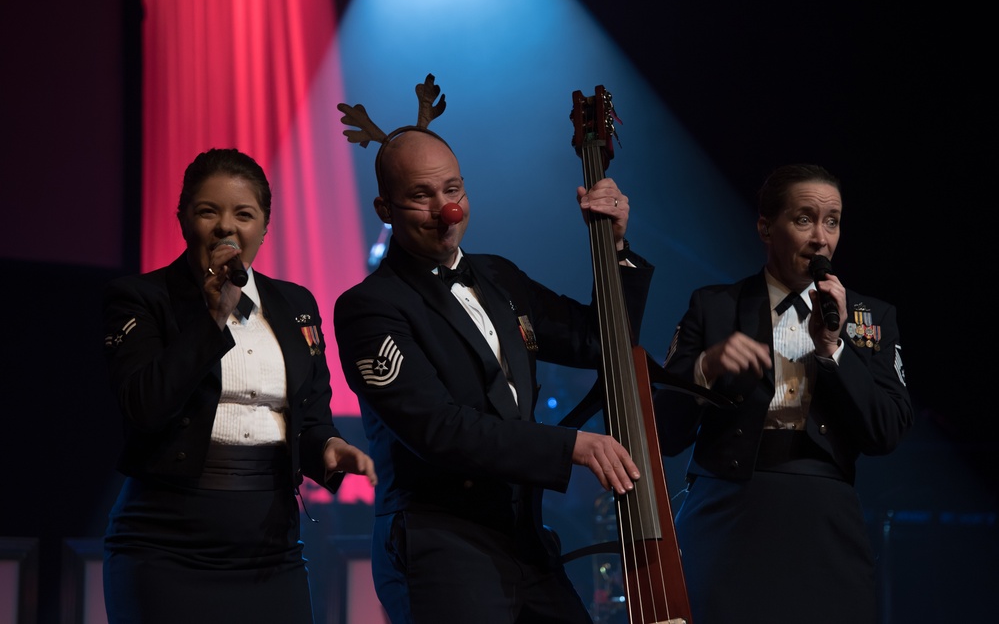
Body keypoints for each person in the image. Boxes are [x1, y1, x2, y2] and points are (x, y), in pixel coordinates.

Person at [333, 76, 653, 624]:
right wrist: (567, 446)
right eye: (421, 196)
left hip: (523, 536)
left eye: (453, 190)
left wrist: (615, 246)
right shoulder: (370, 307)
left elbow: (598, 342)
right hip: (441, 543)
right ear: (385, 208)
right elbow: (439, 429)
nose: (446, 210)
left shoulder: (498, 275)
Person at [101, 148, 377, 623]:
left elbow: (310, 416)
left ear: (264, 226)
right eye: (208, 211)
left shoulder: (295, 303)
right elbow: (144, 407)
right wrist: (213, 315)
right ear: (183, 218)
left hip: (269, 547)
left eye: (243, 214)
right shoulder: (142, 298)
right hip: (165, 544)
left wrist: (327, 447)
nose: (226, 226)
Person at [654, 163, 913, 623]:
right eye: (803, 219)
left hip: (823, 514)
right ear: (765, 227)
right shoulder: (714, 306)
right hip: (728, 507)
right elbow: (664, 433)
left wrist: (833, 349)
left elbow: (886, 431)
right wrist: (704, 368)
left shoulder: (868, 318)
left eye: (831, 221)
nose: (820, 238)